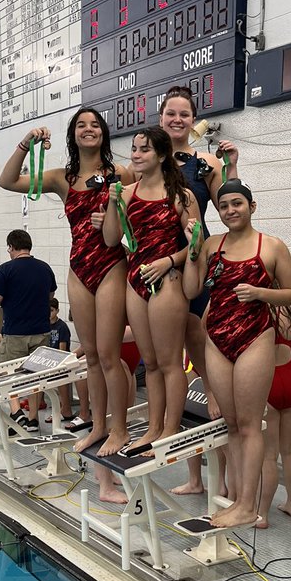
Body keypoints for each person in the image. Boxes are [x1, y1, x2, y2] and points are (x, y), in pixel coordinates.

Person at [0, 110, 134, 456]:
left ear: (103, 133)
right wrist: (27, 143)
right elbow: (8, 180)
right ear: (73, 135)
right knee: (90, 356)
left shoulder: (120, 173)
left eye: (95, 125)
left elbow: (137, 219)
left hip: (112, 264)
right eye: (81, 125)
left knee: (108, 355)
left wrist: (113, 218)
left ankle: (119, 429)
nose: (88, 129)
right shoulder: (63, 178)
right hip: (79, 269)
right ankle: (98, 427)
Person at [183, 180, 291, 528]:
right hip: (217, 339)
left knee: (250, 425)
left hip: (255, 337)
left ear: (252, 206)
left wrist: (261, 292)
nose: (231, 210)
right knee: (230, 424)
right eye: (224, 206)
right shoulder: (211, 245)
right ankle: (236, 501)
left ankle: (249, 505)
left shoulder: (272, 246)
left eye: (237, 203)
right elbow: (191, 289)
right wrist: (191, 251)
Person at [159, 86, 239, 494]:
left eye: (184, 114)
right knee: (176, 370)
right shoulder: (148, 161)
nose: (177, 119)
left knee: (209, 371)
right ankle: (193, 477)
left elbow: (231, 202)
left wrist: (231, 166)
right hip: (161, 263)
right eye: (170, 113)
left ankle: (222, 478)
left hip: (196, 258)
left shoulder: (203, 161)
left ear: (193, 120)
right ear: (160, 118)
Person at [103, 125, 200, 451]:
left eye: (143, 149)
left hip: (168, 282)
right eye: (133, 148)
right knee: (151, 362)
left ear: (160, 155)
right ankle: (154, 427)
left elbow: (200, 244)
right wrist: (113, 206)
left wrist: (169, 261)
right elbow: (112, 240)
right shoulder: (127, 194)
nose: (135, 154)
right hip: (135, 282)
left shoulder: (180, 196)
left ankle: (171, 427)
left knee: (171, 362)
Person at [0, 230, 57, 433]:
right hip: (41, 330)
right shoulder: (44, 268)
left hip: (15, 331)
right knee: (35, 376)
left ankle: (17, 411)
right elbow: (50, 294)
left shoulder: (6, 269)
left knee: (8, 373)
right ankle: (34, 419)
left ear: (11, 246)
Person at [257, 301, 291, 529]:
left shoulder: (257, 309)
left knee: (269, 455)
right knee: (290, 449)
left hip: (267, 380)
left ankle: (262, 514)